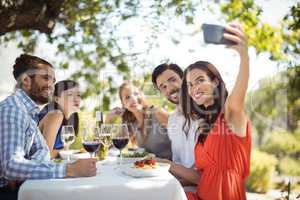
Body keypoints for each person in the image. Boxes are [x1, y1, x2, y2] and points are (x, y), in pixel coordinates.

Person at [0, 54, 96, 200]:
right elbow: (11, 166)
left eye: (53, 80)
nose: (51, 85)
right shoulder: (13, 109)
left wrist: (25, 169)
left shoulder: (30, 113)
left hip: (20, 186)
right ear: (26, 81)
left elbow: (44, 151)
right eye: (45, 78)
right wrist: (70, 169)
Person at [181, 23, 251, 200]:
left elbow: (238, 97)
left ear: (215, 82)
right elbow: (203, 177)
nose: (193, 88)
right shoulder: (204, 125)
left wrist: (244, 55)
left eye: (199, 80)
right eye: (189, 85)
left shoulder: (230, 115)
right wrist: (165, 165)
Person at [152, 63, 200, 190]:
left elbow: (206, 177)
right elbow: (178, 165)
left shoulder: (205, 114)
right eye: (163, 87)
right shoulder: (172, 120)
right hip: (181, 189)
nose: (169, 89)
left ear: (184, 79)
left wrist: (166, 165)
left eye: (172, 80)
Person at [106, 82, 172, 159]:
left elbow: (185, 137)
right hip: (151, 168)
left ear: (142, 95)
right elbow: (110, 146)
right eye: (127, 97)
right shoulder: (131, 124)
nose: (133, 99)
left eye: (136, 94)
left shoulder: (158, 113)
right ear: (123, 104)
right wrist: (108, 121)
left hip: (172, 167)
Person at [38, 80, 81, 158]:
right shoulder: (55, 115)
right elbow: (45, 156)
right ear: (57, 99)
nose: (76, 99)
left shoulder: (71, 118)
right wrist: (72, 153)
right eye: (70, 94)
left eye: (78, 95)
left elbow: (64, 150)